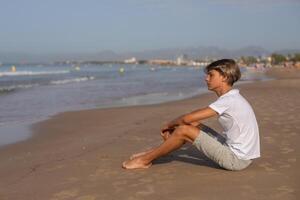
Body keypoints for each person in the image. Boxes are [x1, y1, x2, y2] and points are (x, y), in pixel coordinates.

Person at [122, 59, 260, 171]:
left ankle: (144, 161)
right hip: (237, 152)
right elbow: (191, 119)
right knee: (191, 125)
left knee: (183, 129)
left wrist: (168, 126)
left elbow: (187, 118)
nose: (206, 78)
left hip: (236, 160)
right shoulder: (232, 97)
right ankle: (150, 154)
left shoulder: (229, 100)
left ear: (224, 77)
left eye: (211, 75)